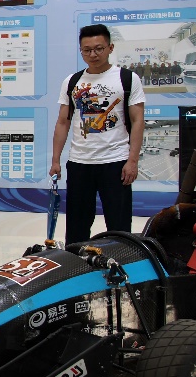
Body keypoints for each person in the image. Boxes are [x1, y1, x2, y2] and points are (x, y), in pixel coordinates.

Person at [50, 23, 146, 245]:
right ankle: (76, 262)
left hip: (116, 162)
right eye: (87, 50)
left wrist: (132, 161)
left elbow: (137, 121)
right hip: (80, 162)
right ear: (81, 51)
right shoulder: (72, 81)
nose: (93, 54)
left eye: (99, 48)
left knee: (119, 226)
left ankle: (120, 262)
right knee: (77, 226)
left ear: (110, 48)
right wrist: (55, 160)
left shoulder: (127, 78)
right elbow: (63, 121)